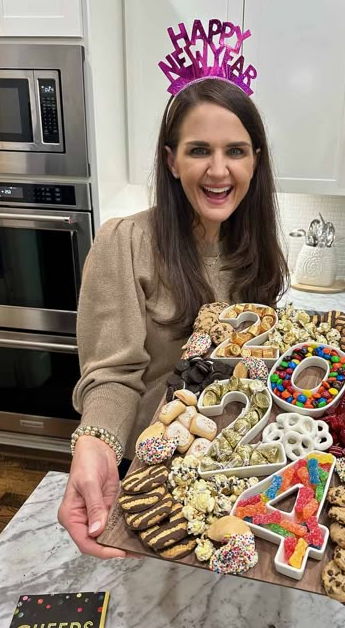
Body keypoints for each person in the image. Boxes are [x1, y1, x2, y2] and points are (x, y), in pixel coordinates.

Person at [57, 75, 289, 558]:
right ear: (171, 160)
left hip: (231, 470)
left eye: (237, 151)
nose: (219, 170)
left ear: (256, 161)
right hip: (148, 474)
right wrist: (95, 443)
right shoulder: (125, 242)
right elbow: (112, 375)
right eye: (199, 150)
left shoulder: (257, 247)